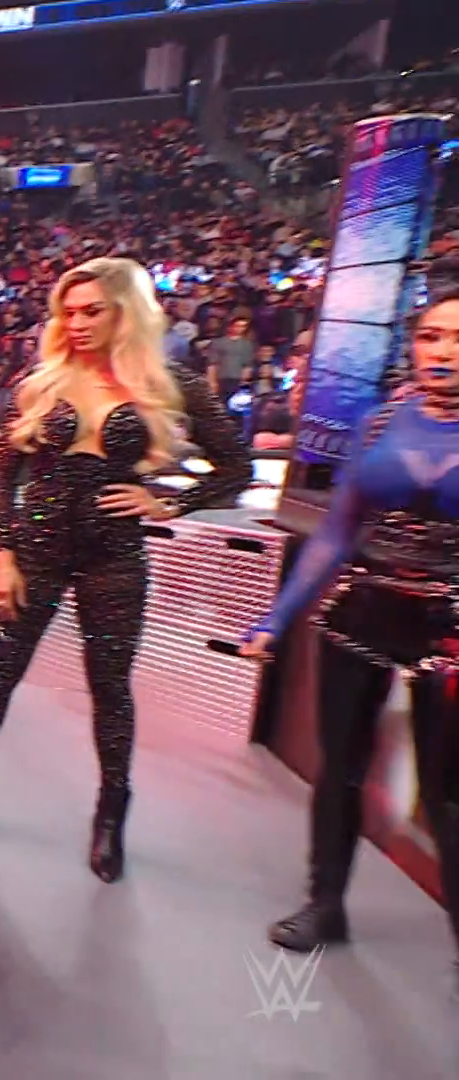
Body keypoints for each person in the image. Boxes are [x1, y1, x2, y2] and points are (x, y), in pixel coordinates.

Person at [0, 257, 250, 882]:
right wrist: (4, 556)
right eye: (68, 312)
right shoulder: (45, 381)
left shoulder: (169, 381)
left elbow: (237, 466)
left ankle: (110, 817)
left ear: (126, 312)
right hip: (36, 551)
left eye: (93, 311)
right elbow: (1, 475)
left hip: (113, 555)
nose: (77, 323)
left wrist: (167, 502)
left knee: (110, 689)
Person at [241, 268, 459, 961]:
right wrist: (275, 620)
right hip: (362, 613)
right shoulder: (382, 420)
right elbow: (338, 529)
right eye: (430, 336)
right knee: (340, 768)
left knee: (448, 795)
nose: (442, 352)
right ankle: (325, 904)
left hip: (451, 630)